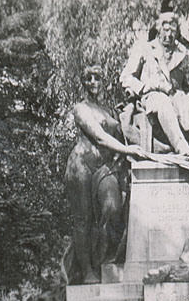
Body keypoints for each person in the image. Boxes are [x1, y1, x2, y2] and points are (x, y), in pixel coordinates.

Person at [64, 66, 150, 284]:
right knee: (83, 219)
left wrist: (134, 109)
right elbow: (100, 137)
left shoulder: (108, 110)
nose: (93, 82)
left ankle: (102, 257)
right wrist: (128, 150)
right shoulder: (81, 109)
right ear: (83, 83)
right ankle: (86, 271)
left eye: (97, 78)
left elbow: (123, 134)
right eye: (88, 79)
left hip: (104, 168)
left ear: (103, 82)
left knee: (112, 208)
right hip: (81, 165)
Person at [120, 12, 189, 156]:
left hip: (178, 99)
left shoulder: (183, 53)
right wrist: (143, 87)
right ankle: (180, 145)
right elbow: (126, 77)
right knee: (163, 103)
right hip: (151, 97)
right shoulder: (145, 49)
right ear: (159, 29)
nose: (169, 34)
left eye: (173, 30)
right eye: (166, 30)